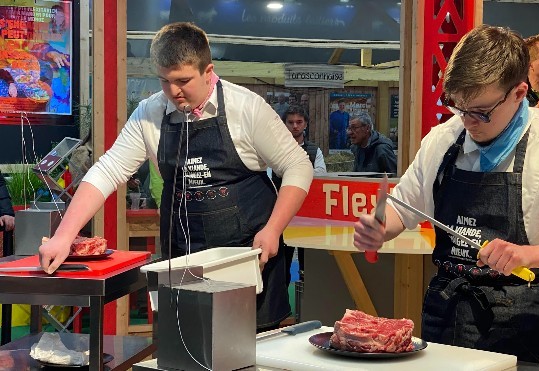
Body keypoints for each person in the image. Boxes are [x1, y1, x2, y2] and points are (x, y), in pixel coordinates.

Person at [353, 25, 539, 365]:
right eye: (459, 108)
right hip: (445, 311)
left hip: (516, 324)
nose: (468, 121)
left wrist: (529, 254)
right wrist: (380, 228)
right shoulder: (443, 141)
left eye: (481, 111)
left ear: (519, 93)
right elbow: (404, 208)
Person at [38, 22, 313, 331]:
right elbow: (107, 170)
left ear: (208, 71)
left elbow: (298, 166)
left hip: (248, 256)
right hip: (182, 256)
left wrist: (273, 229)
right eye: (164, 81)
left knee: (249, 351)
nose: (173, 92)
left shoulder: (246, 108)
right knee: (184, 347)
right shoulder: (150, 112)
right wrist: (64, 235)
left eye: (183, 80)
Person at [273, 105, 327, 285]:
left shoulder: (315, 151)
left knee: (308, 264)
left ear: (305, 124)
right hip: (281, 215)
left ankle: (307, 306)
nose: (295, 126)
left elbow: (320, 178)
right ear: (284, 124)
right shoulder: (274, 149)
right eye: (290, 122)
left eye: (299, 122)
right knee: (281, 264)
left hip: (308, 216)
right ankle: (283, 309)